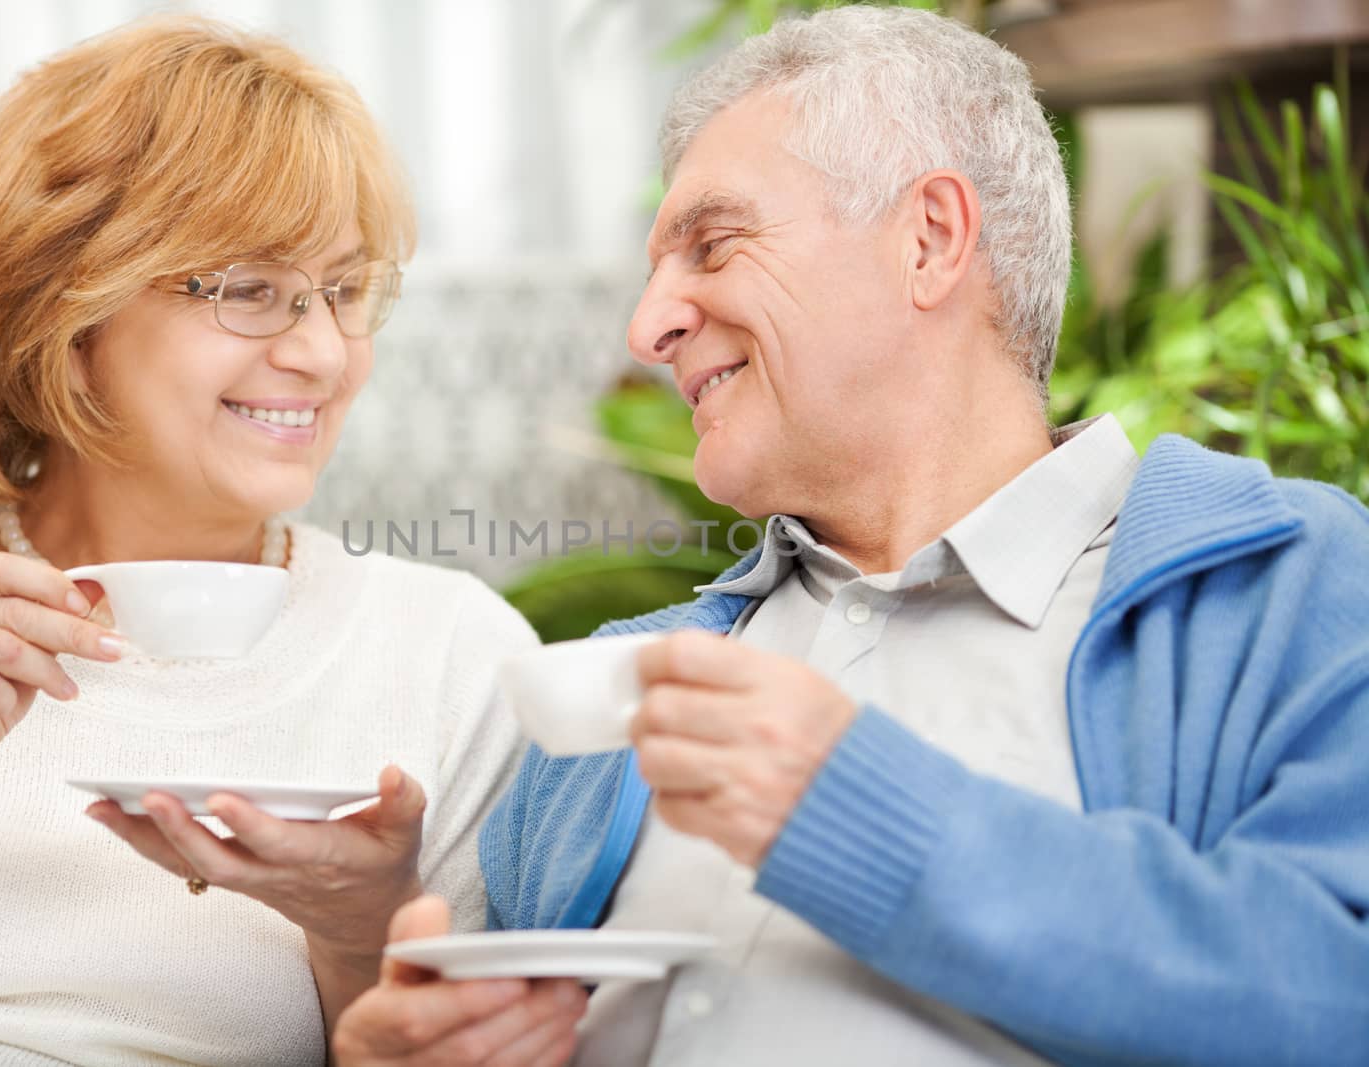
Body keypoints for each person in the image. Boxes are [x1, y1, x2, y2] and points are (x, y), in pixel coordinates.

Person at [333, 6, 1369, 1066]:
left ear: (927, 240)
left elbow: (1336, 994)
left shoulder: (1288, 586)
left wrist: (859, 813)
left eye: (714, 243)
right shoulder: (618, 691)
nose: (646, 329)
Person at [0, 18, 542, 1066]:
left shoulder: (449, 650)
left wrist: (361, 922)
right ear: (67, 316)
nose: (322, 352)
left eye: (345, 291)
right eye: (247, 287)